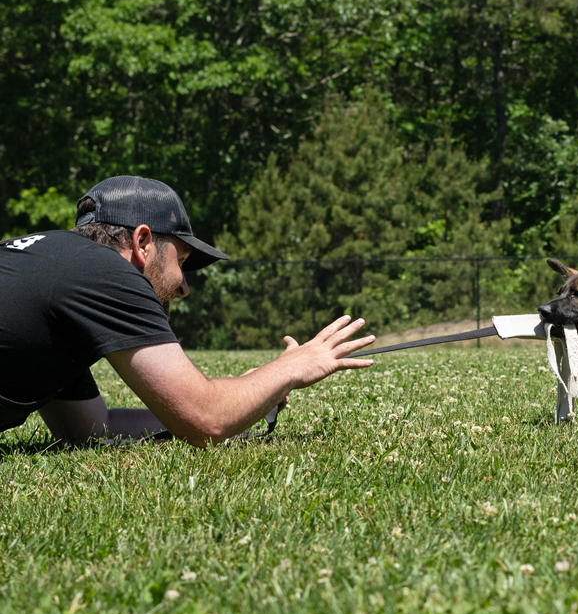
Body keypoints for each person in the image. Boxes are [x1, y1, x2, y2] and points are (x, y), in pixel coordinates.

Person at [0, 175, 375, 447]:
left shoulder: (52, 272)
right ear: (142, 242)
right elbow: (206, 419)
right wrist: (292, 368)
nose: (184, 287)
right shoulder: (105, 270)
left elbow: (93, 428)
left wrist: (248, 394)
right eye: (180, 260)